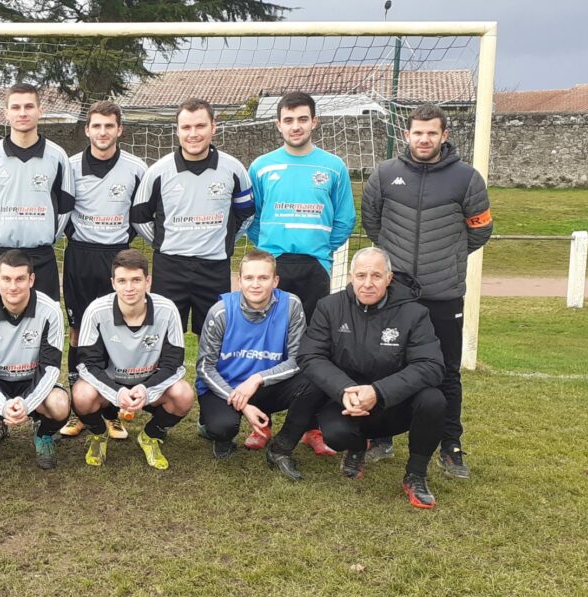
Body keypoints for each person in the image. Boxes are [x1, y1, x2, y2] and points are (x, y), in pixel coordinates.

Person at [361, 103, 493, 478]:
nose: (424, 139)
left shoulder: (467, 179)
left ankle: (451, 446)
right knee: (385, 364)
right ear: (407, 135)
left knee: (446, 371)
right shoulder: (385, 175)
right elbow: (373, 221)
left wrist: (447, 257)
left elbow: (480, 229)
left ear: (444, 136)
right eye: (418, 132)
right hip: (396, 292)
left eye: (432, 132)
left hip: (444, 292)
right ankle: (381, 436)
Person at [290, 247, 446, 509]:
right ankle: (356, 448)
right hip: (347, 403)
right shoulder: (329, 307)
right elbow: (309, 356)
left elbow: (432, 365)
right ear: (351, 276)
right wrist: (345, 389)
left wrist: (379, 392)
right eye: (361, 275)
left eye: (376, 275)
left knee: (434, 400)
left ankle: (416, 475)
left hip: (393, 404)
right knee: (336, 435)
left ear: (389, 278)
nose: (368, 283)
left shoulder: (414, 313)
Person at [244, 91, 355, 454]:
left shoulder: (333, 166)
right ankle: (261, 423)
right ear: (278, 124)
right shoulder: (261, 166)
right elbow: (253, 219)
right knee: (267, 344)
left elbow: (344, 219)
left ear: (314, 122)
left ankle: (310, 425)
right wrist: (271, 251)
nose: (295, 126)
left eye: (302, 119)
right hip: (274, 265)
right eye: (288, 120)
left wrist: (321, 250)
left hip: (316, 267)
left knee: (315, 346)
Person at [58, 100, 147, 441]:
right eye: (96, 125)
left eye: (109, 126)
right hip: (80, 256)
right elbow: (62, 211)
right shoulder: (69, 166)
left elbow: (142, 215)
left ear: (120, 129)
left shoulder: (137, 168)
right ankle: (80, 410)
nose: (103, 132)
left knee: (117, 333)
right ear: (87, 129)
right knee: (79, 332)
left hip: (118, 257)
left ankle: (113, 412)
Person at [130, 98, 254, 339]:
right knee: (161, 335)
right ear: (177, 131)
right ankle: (162, 378)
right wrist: (163, 241)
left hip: (214, 267)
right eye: (186, 127)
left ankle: (209, 378)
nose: (193, 134)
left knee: (215, 337)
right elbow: (139, 217)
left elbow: (246, 213)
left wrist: (225, 239)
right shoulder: (158, 171)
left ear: (213, 127)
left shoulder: (234, 169)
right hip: (170, 267)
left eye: (200, 126)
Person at [195, 250, 322, 479]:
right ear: (239, 280)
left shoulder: (291, 305)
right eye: (249, 278)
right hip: (227, 388)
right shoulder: (221, 311)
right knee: (222, 427)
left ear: (275, 281)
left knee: (313, 380)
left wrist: (257, 379)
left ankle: (281, 447)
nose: (256, 284)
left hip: (265, 386)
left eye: (263, 278)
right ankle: (213, 429)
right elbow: (205, 367)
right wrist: (241, 403)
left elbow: (298, 359)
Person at [71, 249, 192, 470]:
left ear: (148, 281)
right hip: (110, 386)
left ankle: (150, 436)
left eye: (136, 280)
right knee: (81, 395)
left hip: (149, 384)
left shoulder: (167, 309)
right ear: (113, 283)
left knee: (183, 395)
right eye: (122, 280)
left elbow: (174, 364)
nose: (129, 288)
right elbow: (87, 365)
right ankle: (99, 435)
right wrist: (116, 392)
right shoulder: (97, 311)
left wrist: (146, 390)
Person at [0, 250, 70, 469]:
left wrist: (27, 403)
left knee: (60, 404)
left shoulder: (50, 310)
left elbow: (51, 368)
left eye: (20, 279)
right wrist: (2, 405)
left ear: (31, 280)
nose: (13, 286)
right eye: (7, 279)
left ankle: (43, 433)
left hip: (32, 381)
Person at [0, 83, 76, 301]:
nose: (22, 113)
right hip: (0, 255)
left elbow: (66, 206)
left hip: (41, 257)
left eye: (29, 106)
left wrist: (47, 236)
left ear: (40, 111)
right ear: (6, 113)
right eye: (16, 107)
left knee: (44, 327)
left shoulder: (58, 156)